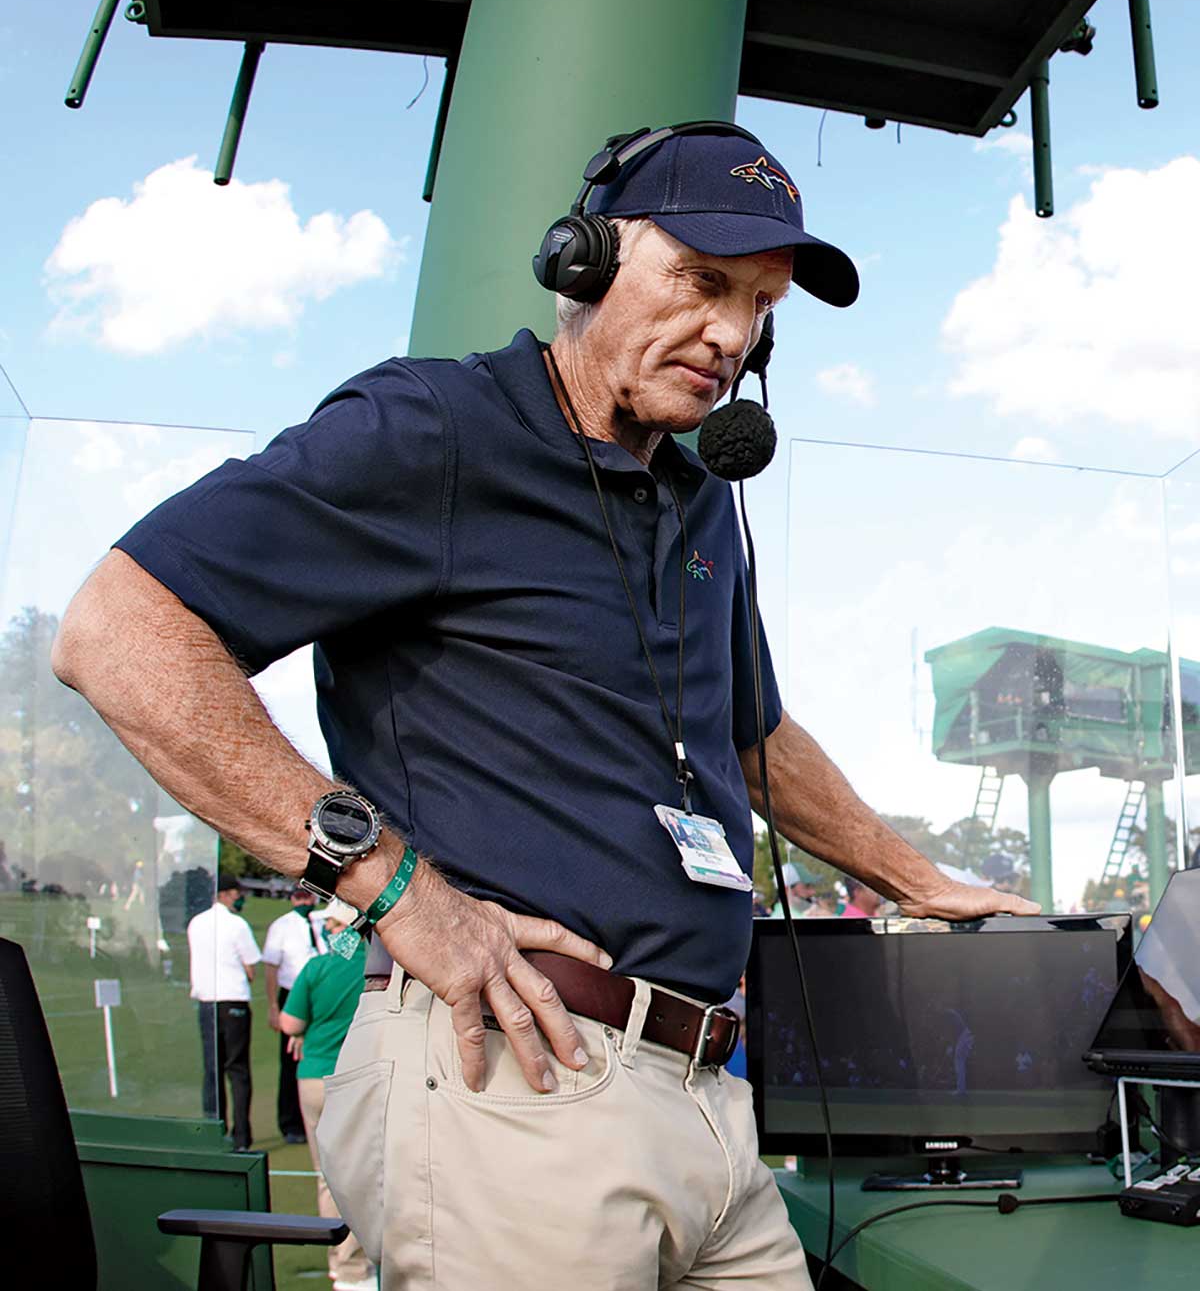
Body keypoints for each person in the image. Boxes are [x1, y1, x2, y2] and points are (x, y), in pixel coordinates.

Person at [53, 122, 1039, 1289]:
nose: (733, 335)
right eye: (703, 281)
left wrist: (915, 876)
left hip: (708, 1101)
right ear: (585, 258)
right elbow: (119, 631)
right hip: (515, 1079)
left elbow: (754, 733)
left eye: (761, 305)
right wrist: (399, 891)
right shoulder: (435, 427)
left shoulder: (701, 500)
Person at [279, 896, 373, 1291]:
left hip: (317, 1077)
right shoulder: (375, 965)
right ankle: (358, 1264)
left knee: (330, 1178)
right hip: (360, 1075)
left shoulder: (318, 967)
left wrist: (303, 1032)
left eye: (332, 925)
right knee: (365, 1172)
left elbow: (289, 1023)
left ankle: (345, 1266)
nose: (328, 931)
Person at [185, 872, 262, 1150]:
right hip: (233, 1000)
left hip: (207, 1002)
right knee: (238, 1070)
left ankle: (214, 1132)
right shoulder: (236, 924)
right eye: (236, 894)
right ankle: (241, 1137)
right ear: (225, 895)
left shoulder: (196, 923)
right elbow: (250, 966)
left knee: (212, 1069)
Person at [262, 882, 323, 1143]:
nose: (303, 901)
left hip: (320, 995)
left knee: (322, 1053)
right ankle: (291, 1123)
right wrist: (273, 1006)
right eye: (298, 896)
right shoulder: (281, 926)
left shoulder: (323, 922)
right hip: (292, 994)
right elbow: (271, 968)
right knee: (290, 1060)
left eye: (307, 896)